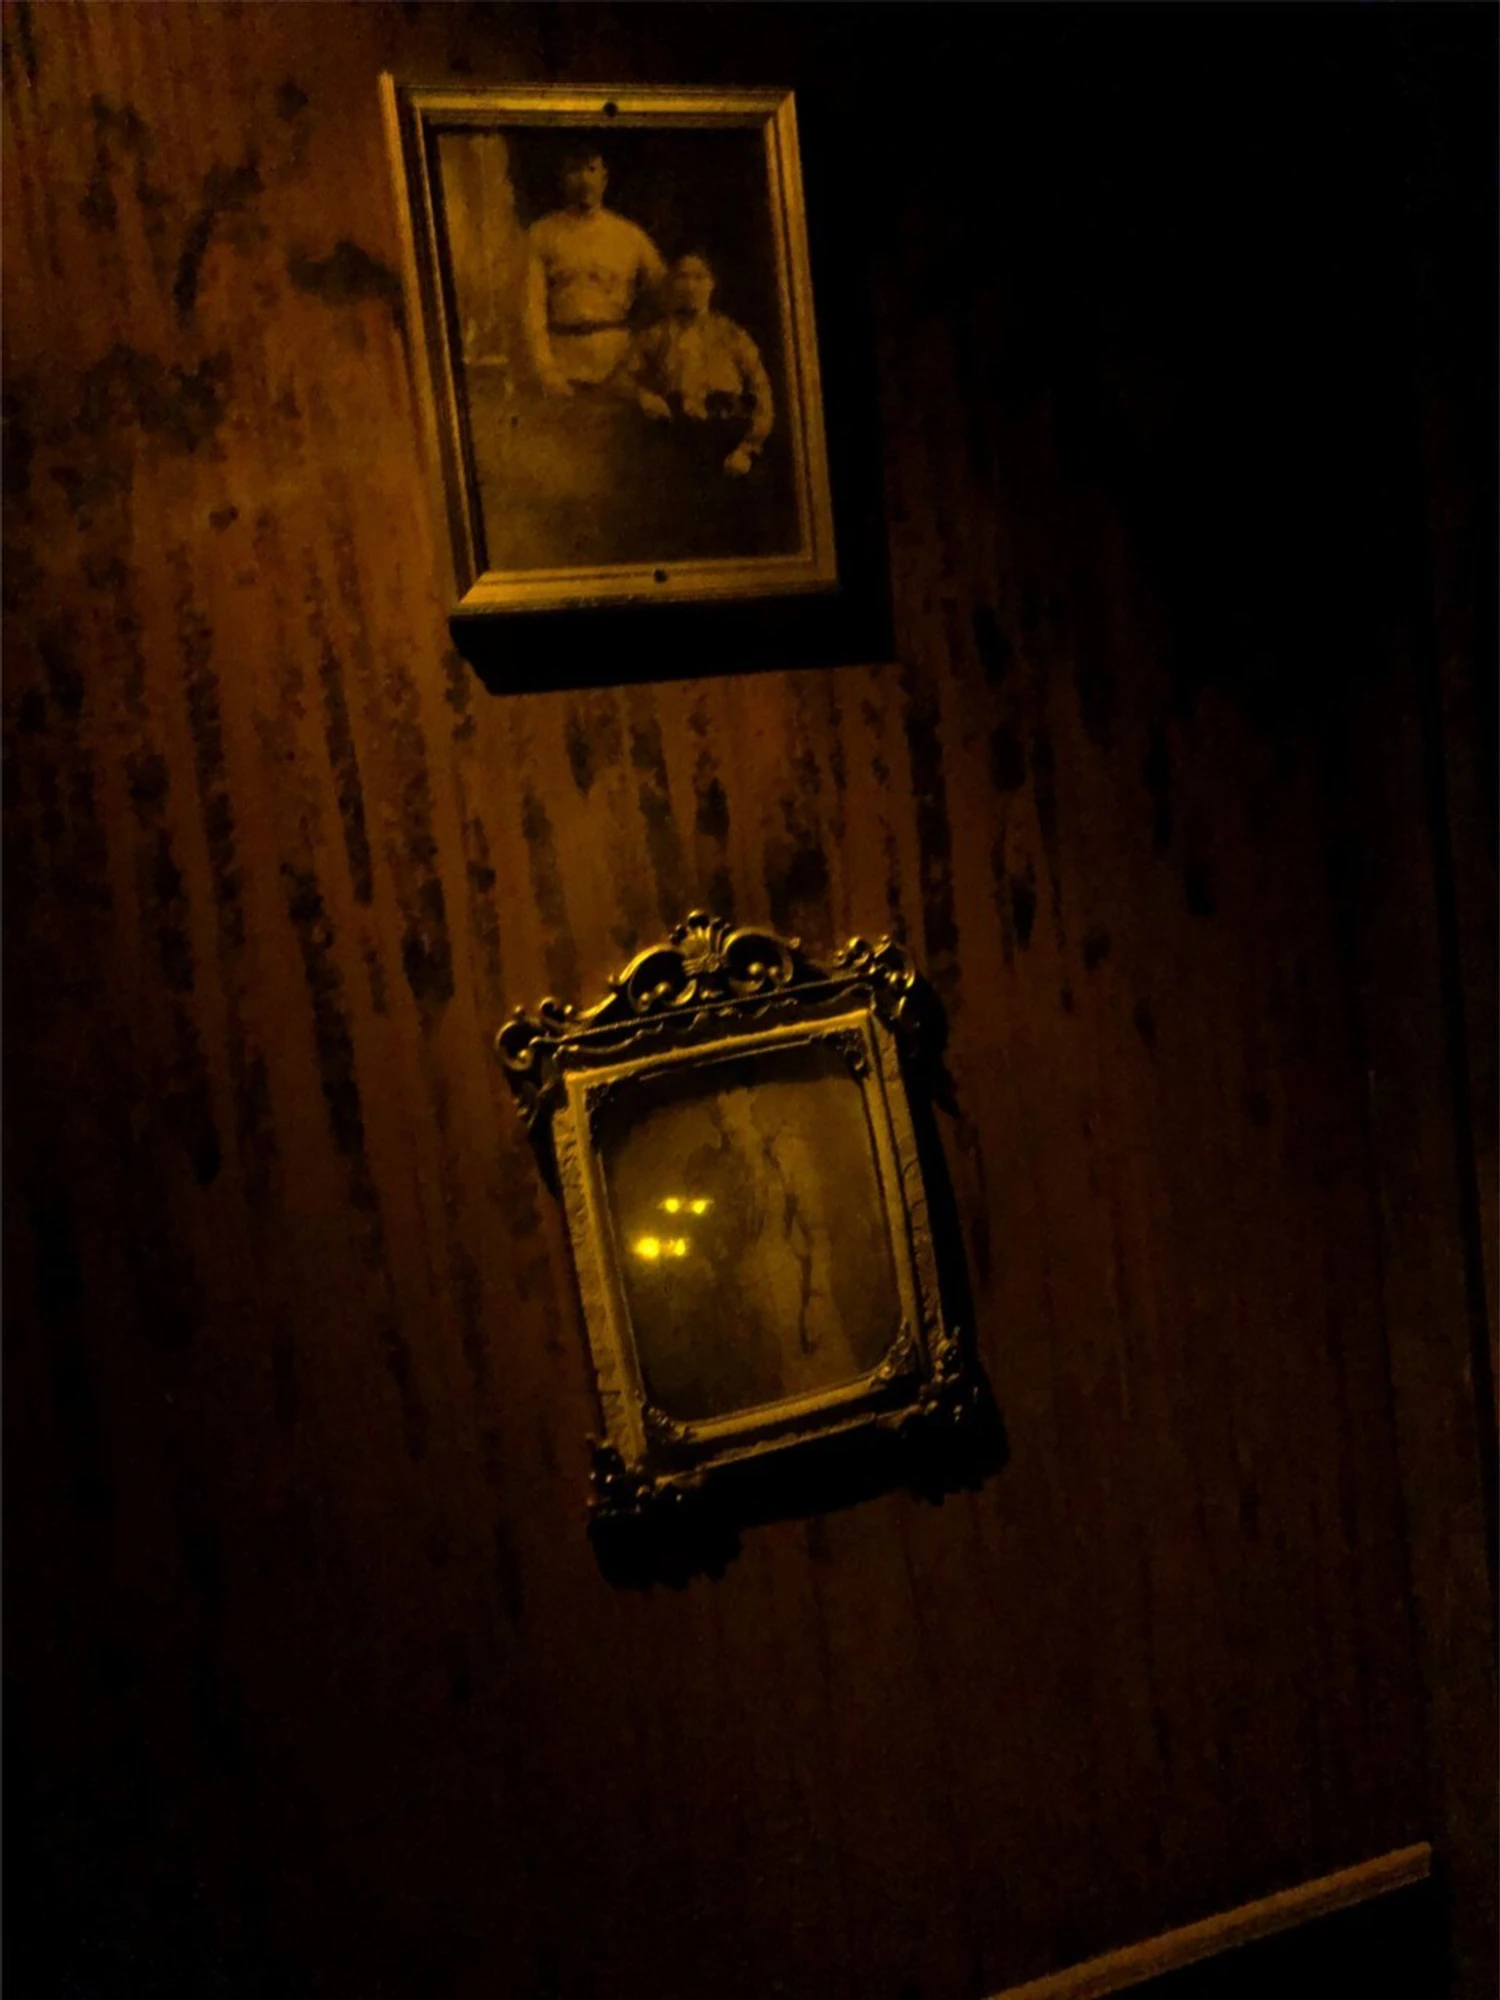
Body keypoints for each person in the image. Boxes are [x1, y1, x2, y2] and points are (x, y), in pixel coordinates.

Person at [522, 146, 665, 394]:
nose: (584, 180)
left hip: (620, 362)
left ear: (604, 178)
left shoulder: (630, 235)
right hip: (563, 364)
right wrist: (546, 369)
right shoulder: (541, 234)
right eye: (574, 170)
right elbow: (531, 307)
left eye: (591, 169)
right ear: (561, 179)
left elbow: (665, 294)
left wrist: (638, 361)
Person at [615, 253, 774, 475]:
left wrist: (747, 449)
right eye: (682, 277)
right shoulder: (655, 336)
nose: (690, 286)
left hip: (729, 450)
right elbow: (621, 379)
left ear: (711, 284)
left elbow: (761, 392)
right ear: (671, 285)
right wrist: (643, 397)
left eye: (699, 277)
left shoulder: (733, 336)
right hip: (674, 446)